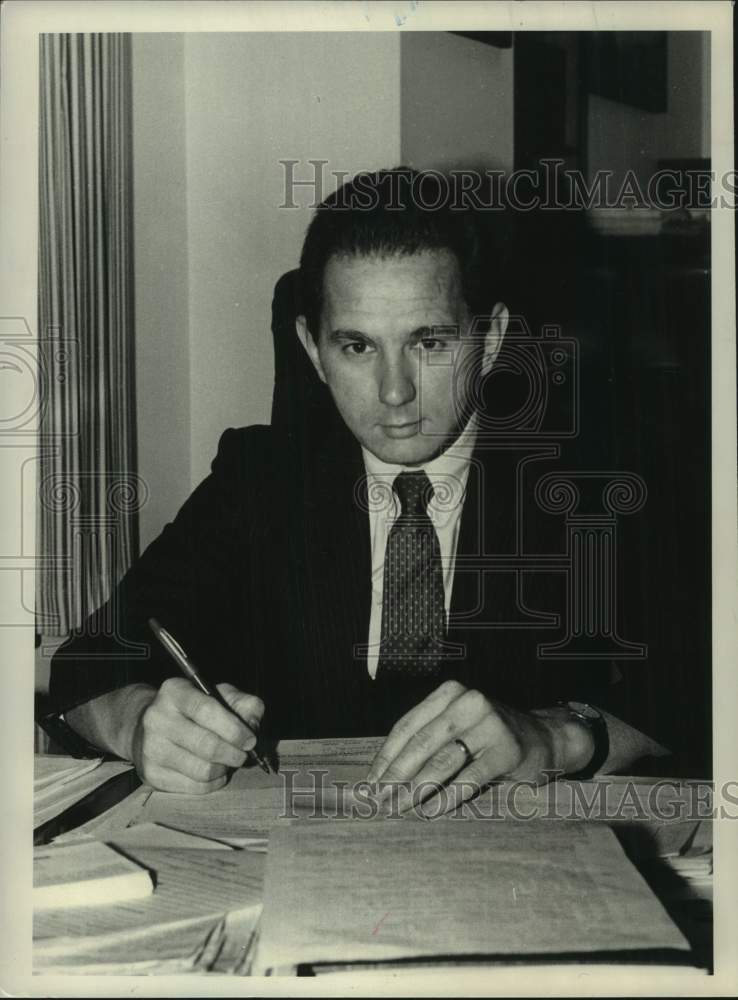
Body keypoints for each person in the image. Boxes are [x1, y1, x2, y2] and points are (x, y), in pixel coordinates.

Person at [46, 168, 666, 806]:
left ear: (491, 338)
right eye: (357, 347)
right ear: (313, 350)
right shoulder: (258, 479)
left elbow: (690, 690)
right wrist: (139, 724)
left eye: (429, 341)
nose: (394, 392)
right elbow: (90, 662)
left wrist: (558, 737)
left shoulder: (593, 487)